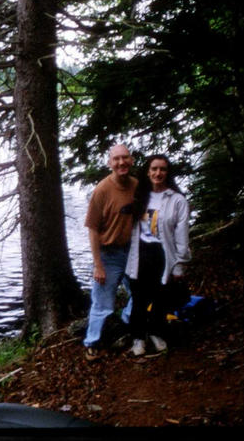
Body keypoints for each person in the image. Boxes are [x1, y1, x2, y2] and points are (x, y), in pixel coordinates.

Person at [125, 154, 191, 357]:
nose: (158, 173)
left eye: (162, 169)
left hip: (164, 254)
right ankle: (138, 339)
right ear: (148, 171)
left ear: (167, 172)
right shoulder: (139, 196)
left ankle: (156, 333)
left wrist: (180, 264)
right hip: (140, 253)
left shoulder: (177, 200)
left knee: (162, 296)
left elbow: (181, 235)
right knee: (138, 297)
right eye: (154, 169)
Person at [83, 144, 136, 361]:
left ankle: (125, 325)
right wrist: (98, 264)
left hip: (133, 252)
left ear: (131, 160)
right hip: (109, 255)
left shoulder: (137, 185)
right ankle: (92, 342)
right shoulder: (101, 191)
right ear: (110, 163)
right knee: (102, 303)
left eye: (125, 158)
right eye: (116, 159)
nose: (121, 162)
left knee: (140, 294)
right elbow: (93, 229)